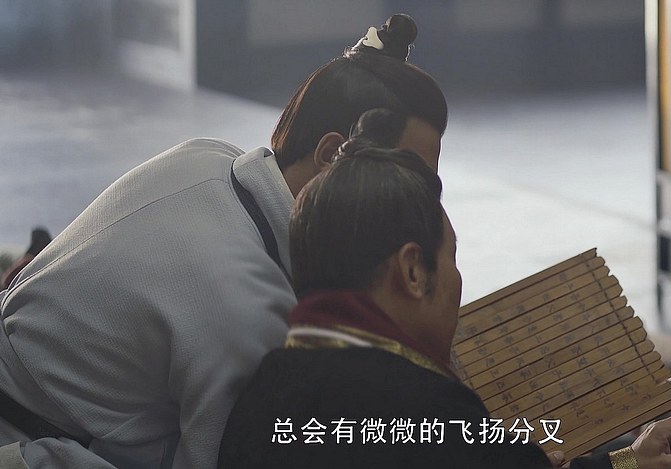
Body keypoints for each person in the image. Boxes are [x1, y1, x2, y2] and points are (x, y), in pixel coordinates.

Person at [0, 14, 446, 469]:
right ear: (331, 155)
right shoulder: (249, 313)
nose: (421, 208)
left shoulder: (207, 156)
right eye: (410, 180)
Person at [217, 110, 671, 469]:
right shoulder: (427, 413)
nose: (458, 281)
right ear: (413, 271)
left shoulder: (262, 400)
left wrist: (629, 463)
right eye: (451, 258)